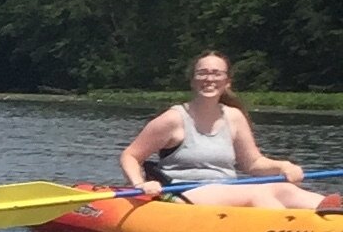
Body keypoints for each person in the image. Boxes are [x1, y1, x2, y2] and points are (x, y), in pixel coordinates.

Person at [118, 51, 325, 210]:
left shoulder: (234, 116)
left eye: (216, 74)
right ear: (192, 80)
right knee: (259, 195)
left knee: (285, 188)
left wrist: (284, 166)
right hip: (184, 192)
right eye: (202, 73)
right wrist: (140, 184)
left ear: (227, 82)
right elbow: (131, 155)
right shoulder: (173, 119)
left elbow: (252, 163)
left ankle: (332, 209)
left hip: (227, 190)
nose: (209, 79)